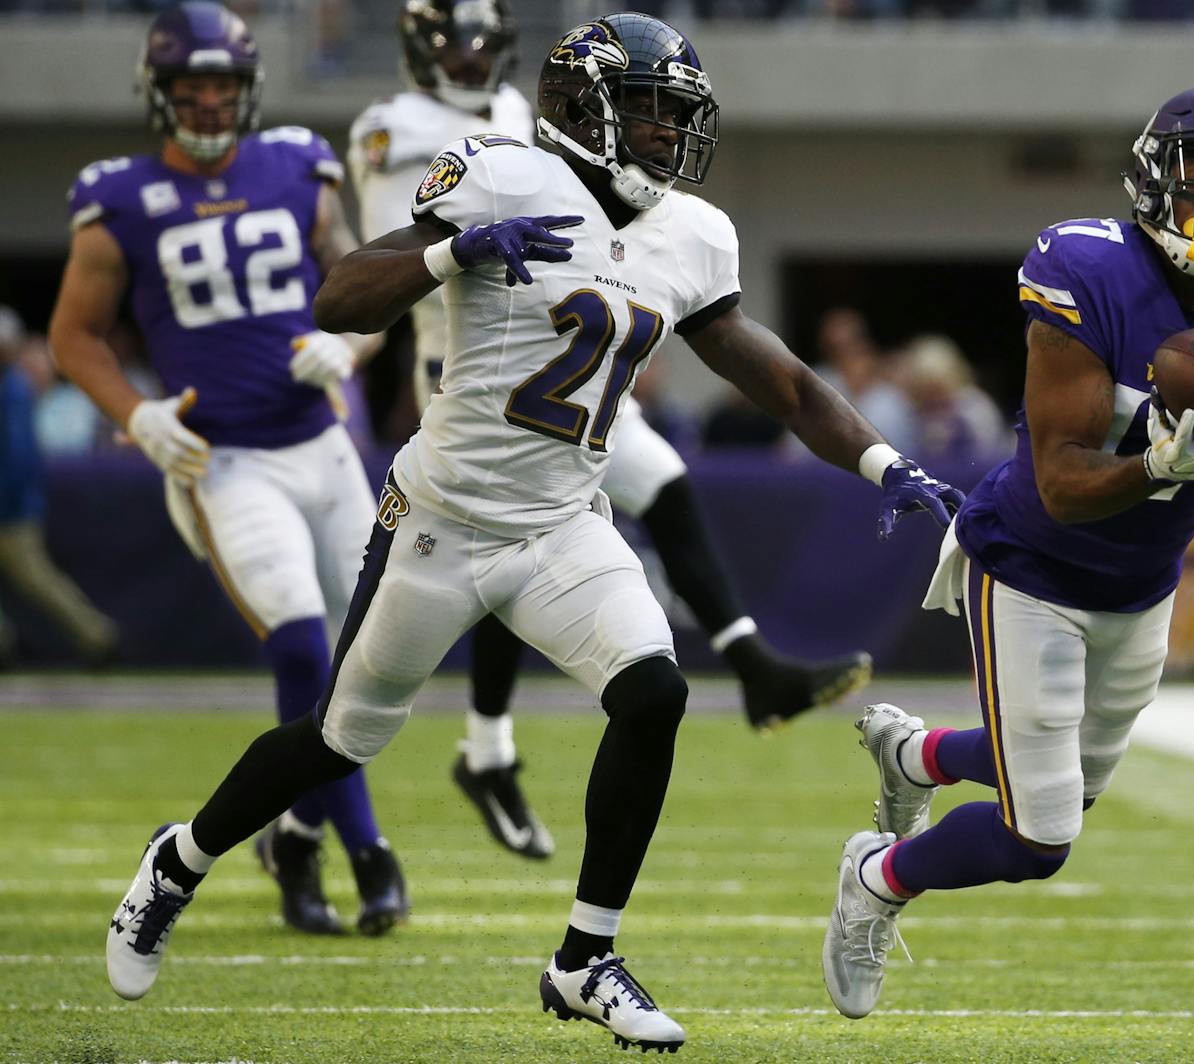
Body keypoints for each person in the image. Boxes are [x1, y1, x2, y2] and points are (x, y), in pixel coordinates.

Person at [101, 12, 962, 1052]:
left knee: (653, 691)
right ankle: (177, 862)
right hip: (442, 518)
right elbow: (337, 297)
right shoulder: (499, 174)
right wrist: (453, 248)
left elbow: (776, 377)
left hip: (560, 523)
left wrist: (884, 459)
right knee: (337, 740)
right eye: (647, 114)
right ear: (586, 108)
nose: (664, 138)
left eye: (674, 118)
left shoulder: (690, 234)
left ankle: (583, 957)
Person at [821, 82, 1194, 1019]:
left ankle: (919, 757)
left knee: (1073, 786)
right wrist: (1157, 464)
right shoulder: (1088, 268)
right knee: (1040, 837)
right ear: (1152, 177)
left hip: (1143, 586)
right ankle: (880, 878)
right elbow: (1063, 486)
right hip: (1028, 565)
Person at [347, 0, 873, 860]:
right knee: (482, 552)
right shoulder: (407, 134)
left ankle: (741, 672)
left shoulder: (523, 126)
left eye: (486, 46)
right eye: (455, 44)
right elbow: (390, 248)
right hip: (478, 367)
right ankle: (477, 751)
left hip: (573, 369)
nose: (473, 62)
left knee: (657, 489)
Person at [50, 1, 410, 938]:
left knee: (361, 654)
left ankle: (292, 831)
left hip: (323, 444)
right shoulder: (118, 196)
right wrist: (135, 412)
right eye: (191, 89)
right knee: (299, 646)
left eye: (223, 89)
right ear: (160, 94)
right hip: (222, 458)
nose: (210, 106)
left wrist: (354, 352)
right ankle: (365, 851)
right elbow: (72, 335)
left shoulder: (298, 164)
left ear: (246, 93)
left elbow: (366, 280)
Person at [0, 306, 120, 668]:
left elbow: (19, 456)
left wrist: (10, 502)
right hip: (13, 503)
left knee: (38, 580)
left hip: (11, 509)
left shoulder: (13, 388)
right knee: (39, 580)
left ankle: (98, 637)